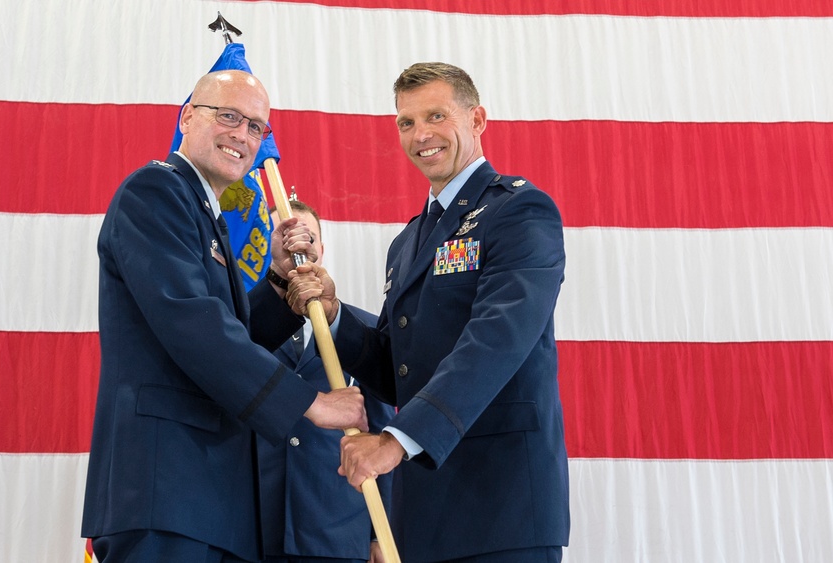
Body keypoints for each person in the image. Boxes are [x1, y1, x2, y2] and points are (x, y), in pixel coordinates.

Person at [81, 69, 369, 563]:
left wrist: (279, 279)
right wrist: (311, 403)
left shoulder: (203, 213)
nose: (242, 134)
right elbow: (193, 324)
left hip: (212, 499)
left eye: (256, 126)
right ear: (188, 117)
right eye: (229, 116)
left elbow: (234, 332)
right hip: (167, 489)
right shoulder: (156, 192)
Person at [287, 62, 570, 562]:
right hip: (422, 511)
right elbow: (398, 370)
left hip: (501, 506)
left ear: (477, 119)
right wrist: (333, 315)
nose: (421, 135)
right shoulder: (408, 241)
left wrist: (396, 440)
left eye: (436, 116)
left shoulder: (520, 212)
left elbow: (497, 340)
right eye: (406, 123)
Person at [257, 200, 395, 563]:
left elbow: (383, 434)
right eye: (285, 239)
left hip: (336, 527)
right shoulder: (239, 332)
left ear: (322, 248)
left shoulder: (361, 331)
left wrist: (381, 534)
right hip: (253, 525)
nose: (298, 249)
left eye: (308, 239)